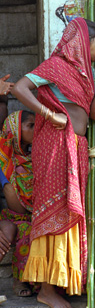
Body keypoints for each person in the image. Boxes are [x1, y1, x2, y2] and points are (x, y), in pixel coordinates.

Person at [12, 17, 95, 308]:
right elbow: (19, 88)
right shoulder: (55, 66)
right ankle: (46, 290)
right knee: (53, 208)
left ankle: (60, 279)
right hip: (54, 144)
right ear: (83, 40)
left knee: (68, 210)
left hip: (75, 146)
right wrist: (47, 113)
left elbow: (93, 114)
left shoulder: (86, 74)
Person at [0, 110, 35, 297]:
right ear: (15, 132)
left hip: (35, 215)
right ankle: (19, 279)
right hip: (14, 217)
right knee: (23, 232)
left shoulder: (35, 158)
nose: (36, 128)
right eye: (30, 125)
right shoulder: (4, 160)